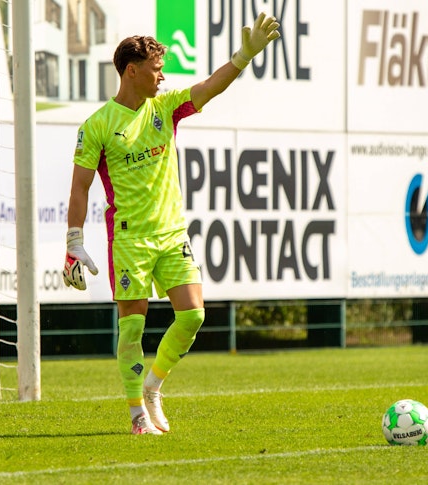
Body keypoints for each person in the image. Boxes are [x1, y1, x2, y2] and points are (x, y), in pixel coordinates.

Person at [63, 13, 281, 435]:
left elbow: (209, 88)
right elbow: (79, 187)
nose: (162, 76)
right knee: (133, 328)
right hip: (129, 239)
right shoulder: (97, 126)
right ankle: (135, 414)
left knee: (193, 316)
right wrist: (74, 241)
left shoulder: (165, 108)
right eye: (156, 69)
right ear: (131, 71)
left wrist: (244, 56)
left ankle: (153, 386)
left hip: (171, 235)